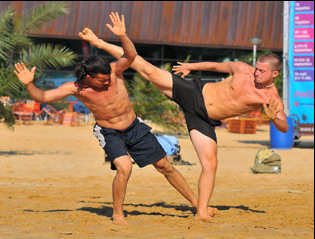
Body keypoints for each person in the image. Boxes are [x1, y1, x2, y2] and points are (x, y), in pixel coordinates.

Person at [78, 19, 288, 221]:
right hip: (194, 93)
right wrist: (192, 67)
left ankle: (201, 210)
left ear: (275, 74)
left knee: (210, 163)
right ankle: (98, 42)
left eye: (262, 71)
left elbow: (284, 127)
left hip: (204, 119)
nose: (256, 72)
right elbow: (216, 67)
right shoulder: (243, 69)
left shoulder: (270, 99)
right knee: (147, 69)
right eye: (257, 67)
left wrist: (273, 120)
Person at [14, 12, 205, 226]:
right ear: (88, 77)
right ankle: (118, 214)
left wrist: (123, 36)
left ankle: (199, 205)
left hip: (135, 127)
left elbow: (131, 57)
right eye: (102, 81)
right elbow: (43, 97)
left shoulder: (114, 72)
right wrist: (29, 84)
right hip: (110, 132)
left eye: (108, 79)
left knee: (165, 166)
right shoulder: (75, 88)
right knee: (125, 168)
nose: (107, 83)